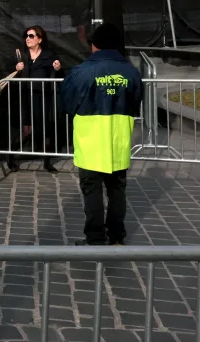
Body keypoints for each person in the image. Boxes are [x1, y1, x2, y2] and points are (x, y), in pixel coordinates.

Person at [60, 23, 143, 246]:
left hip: (90, 142)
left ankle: (95, 238)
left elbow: (67, 103)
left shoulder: (81, 71)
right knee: (117, 189)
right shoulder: (131, 71)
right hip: (119, 141)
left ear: (94, 45)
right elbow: (136, 102)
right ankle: (117, 235)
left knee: (92, 190)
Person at [5, 26, 65, 174]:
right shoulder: (21, 55)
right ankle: (10, 158)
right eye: (26, 35)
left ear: (40, 39)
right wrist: (16, 67)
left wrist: (58, 68)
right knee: (25, 130)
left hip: (42, 98)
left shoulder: (49, 55)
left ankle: (47, 162)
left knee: (45, 129)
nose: (28, 38)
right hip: (23, 97)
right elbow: (8, 71)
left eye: (31, 36)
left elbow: (59, 73)